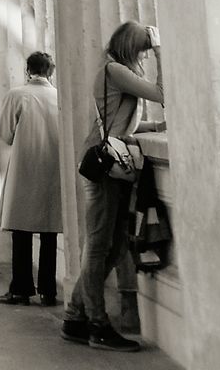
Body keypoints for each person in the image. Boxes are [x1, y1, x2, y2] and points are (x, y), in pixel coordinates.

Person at [62, 21, 165, 353]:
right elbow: (163, 94)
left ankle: (76, 317)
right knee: (99, 246)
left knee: (112, 243)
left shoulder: (112, 69)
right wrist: (162, 50)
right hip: (107, 167)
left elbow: (118, 120)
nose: (145, 58)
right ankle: (97, 325)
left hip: (108, 161)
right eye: (143, 51)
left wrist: (153, 126)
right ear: (130, 48)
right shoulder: (115, 69)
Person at [0, 51, 62, 308]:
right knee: (49, 231)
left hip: (26, 166)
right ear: (51, 72)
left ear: (28, 70)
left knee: (21, 231)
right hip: (52, 166)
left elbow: (5, 133)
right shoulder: (58, 96)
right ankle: (48, 291)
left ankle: (21, 288)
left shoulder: (17, 95)